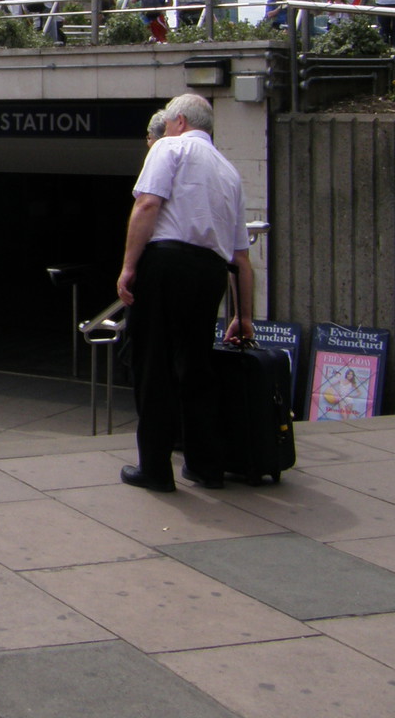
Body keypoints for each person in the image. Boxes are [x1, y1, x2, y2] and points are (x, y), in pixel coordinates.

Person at [116, 93, 254, 492]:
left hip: (166, 263)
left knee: (152, 363)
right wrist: (243, 315)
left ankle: (155, 468)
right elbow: (242, 258)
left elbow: (147, 206)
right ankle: (206, 465)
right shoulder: (229, 172)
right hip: (209, 271)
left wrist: (128, 267)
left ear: (177, 120)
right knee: (196, 366)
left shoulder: (169, 147)